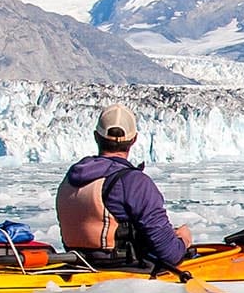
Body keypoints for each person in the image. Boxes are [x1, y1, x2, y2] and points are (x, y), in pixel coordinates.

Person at [56, 104, 192, 273]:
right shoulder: (134, 182)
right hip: (124, 271)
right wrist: (183, 241)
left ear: (96, 137)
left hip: (78, 265)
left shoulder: (71, 177)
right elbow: (169, 254)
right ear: (134, 139)